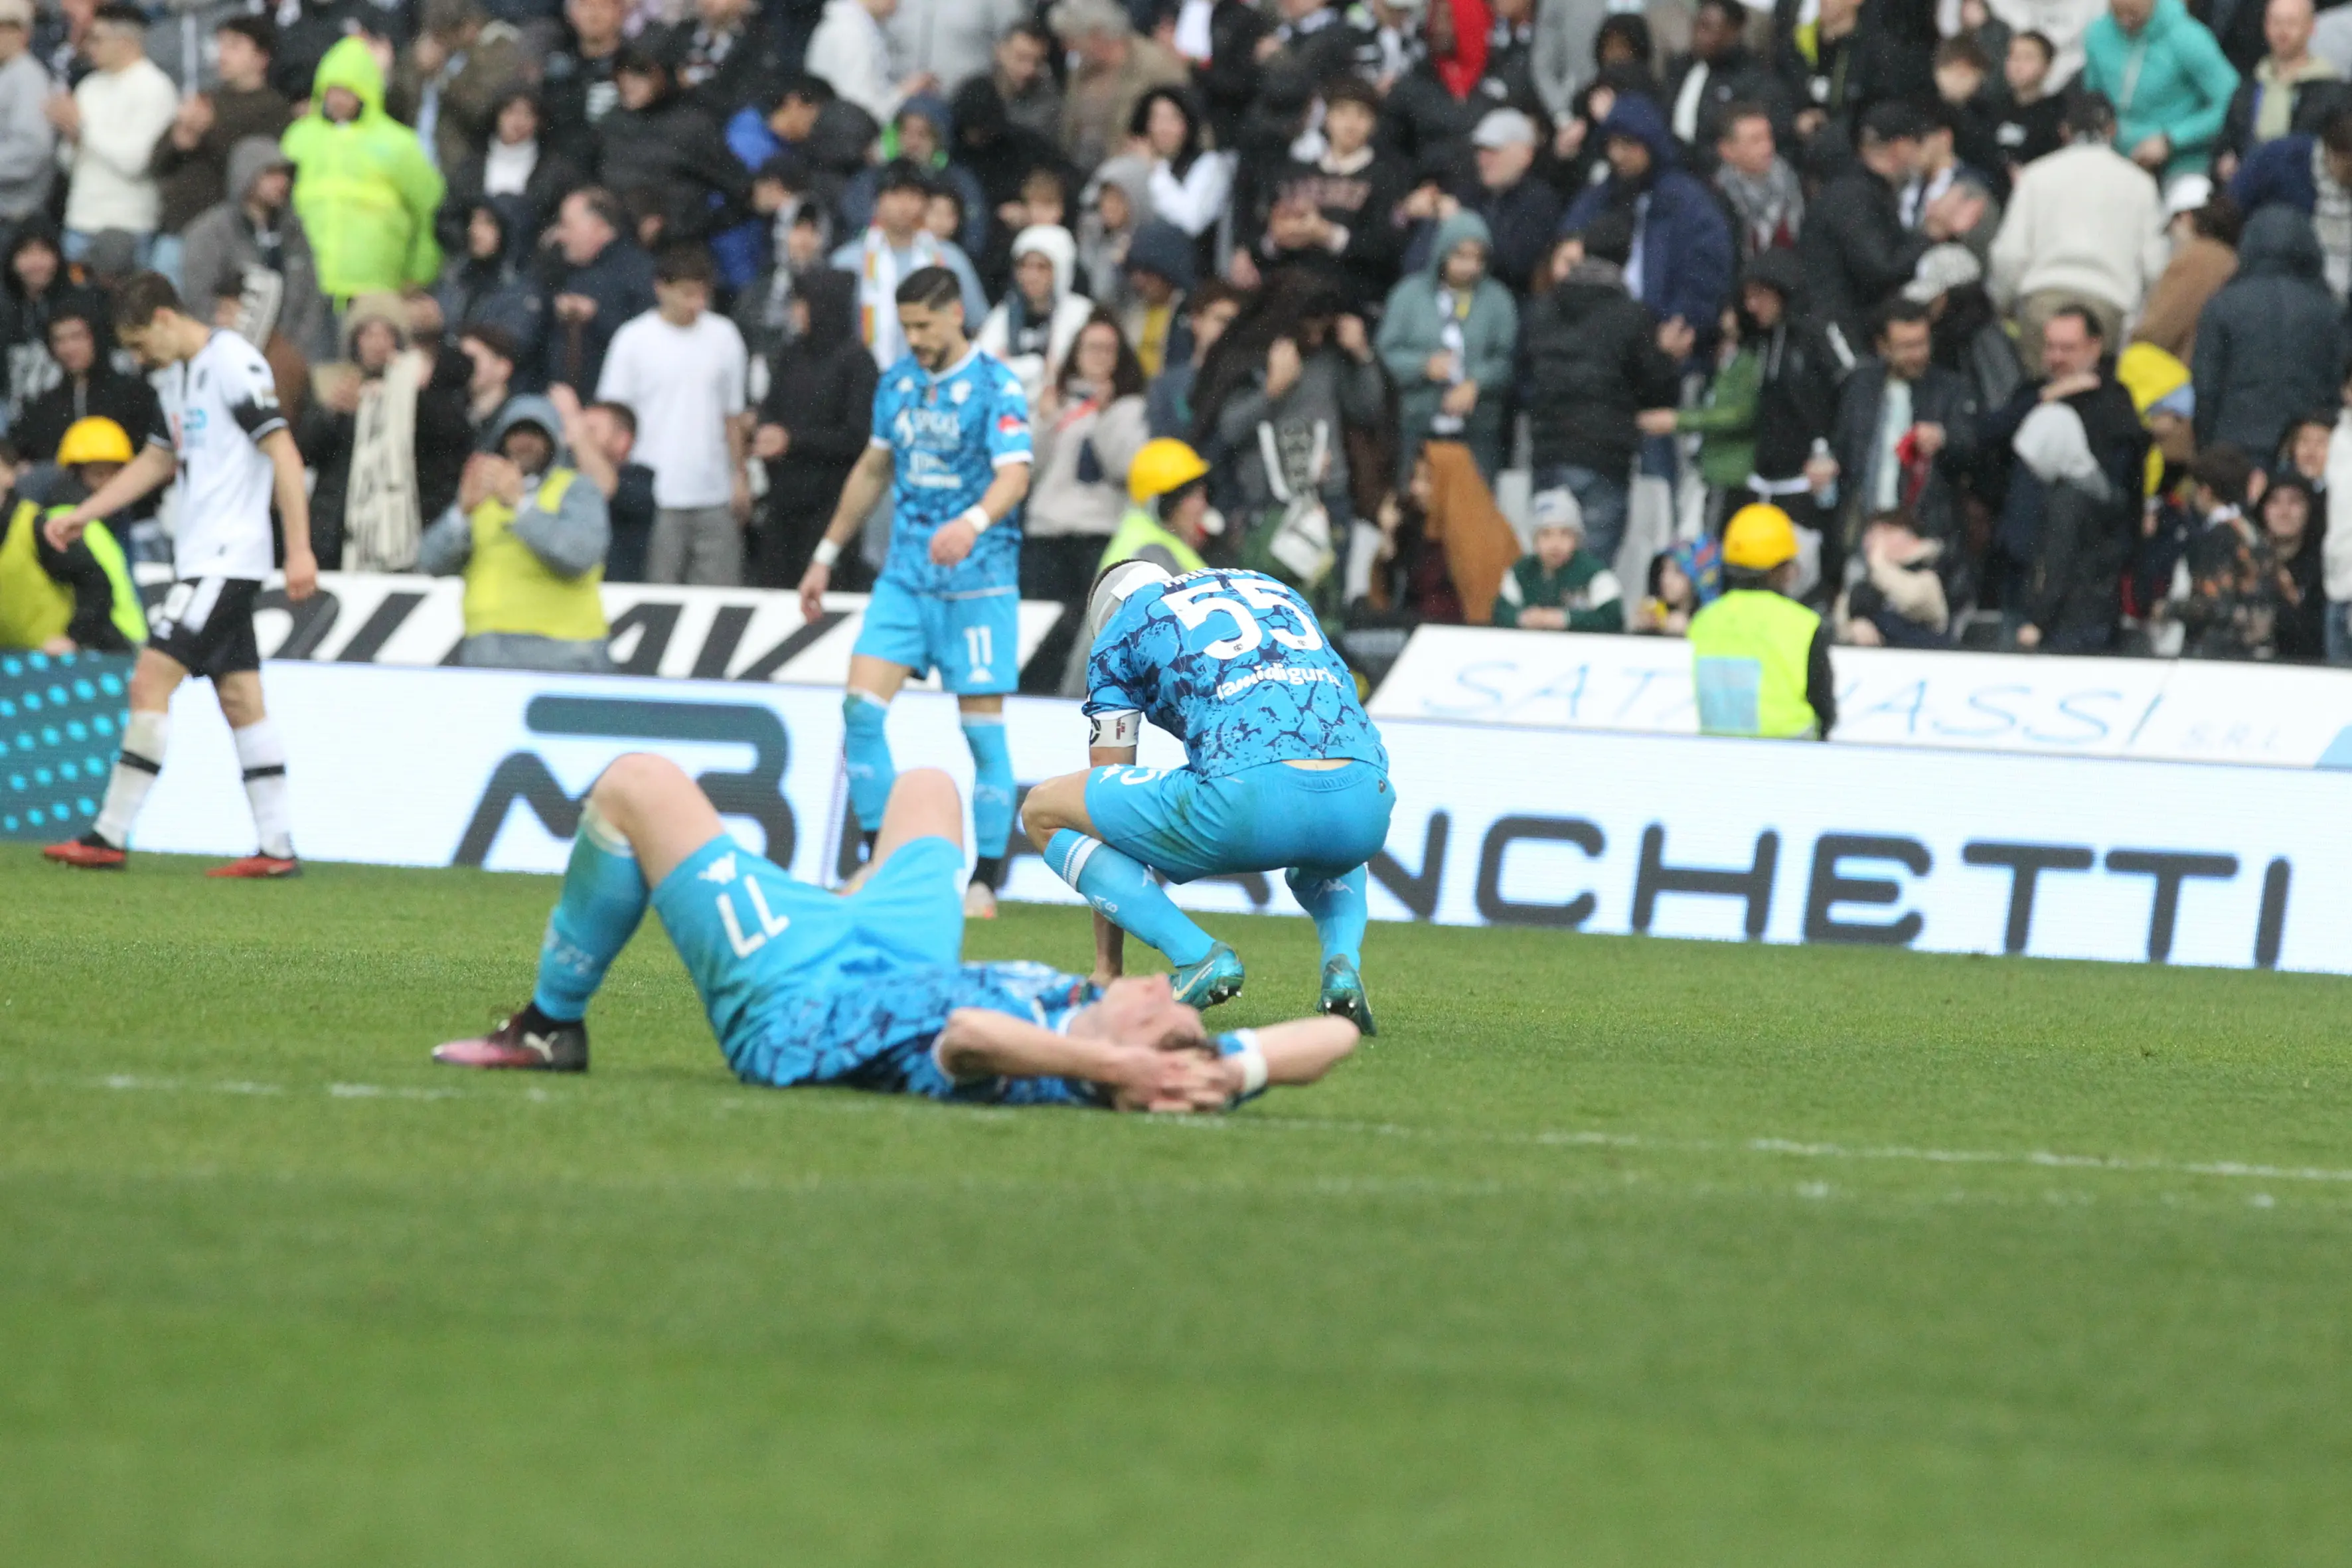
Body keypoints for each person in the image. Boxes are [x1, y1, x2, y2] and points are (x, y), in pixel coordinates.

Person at [430, 755, 1358, 1119]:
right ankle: (835, 896)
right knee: (928, 790)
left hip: (795, 994)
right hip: (896, 954)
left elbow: (965, 1037)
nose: (1159, 990)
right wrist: (1229, 1070)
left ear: (1120, 1059)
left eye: (1154, 1014)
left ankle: (552, 1025)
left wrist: (1116, 1073)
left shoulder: (1047, 1065)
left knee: (634, 782)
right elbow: (1333, 1035)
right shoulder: (1118, 1041)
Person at [1020, 560, 1393, 1026]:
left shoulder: (1121, 630)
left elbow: (1106, 788)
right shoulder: (1268, 586)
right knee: (1327, 815)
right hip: (1366, 799)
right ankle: (1342, 965)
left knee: (1044, 811)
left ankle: (1196, 955)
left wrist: (1108, 967)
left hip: (1249, 798)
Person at [41, 274, 314, 876]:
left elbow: (283, 452)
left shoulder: (232, 363)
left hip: (225, 557)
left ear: (166, 318)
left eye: (141, 344)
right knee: (242, 699)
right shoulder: (175, 377)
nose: (138, 359)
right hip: (208, 557)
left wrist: (299, 548)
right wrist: (85, 514)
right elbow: (159, 459)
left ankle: (108, 834)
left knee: (148, 682)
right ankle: (277, 848)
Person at [795, 267, 1032, 915]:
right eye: (907, 327)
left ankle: (984, 879)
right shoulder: (897, 384)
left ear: (957, 312)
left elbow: (1015, 476)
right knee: (861, 713)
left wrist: (972, 522)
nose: (916, 339)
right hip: (903, 579)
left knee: (981, 731)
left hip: (978, 584)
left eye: (925, 326)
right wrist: (825, 554)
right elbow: (873, 468)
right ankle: (880, 860)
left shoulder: (997, 385)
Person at [1979, 305, 2149, 652]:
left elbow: (2123, 492)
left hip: (2084, 578)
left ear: (2094, 347)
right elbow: (1985, 440)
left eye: (2067, 348)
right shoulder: (2031, 395)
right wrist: (2046, 397)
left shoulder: (2114, 405)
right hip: (2020, 565)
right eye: (2050, 347)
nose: (2056, 357)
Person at [1520, 218, 1680, 570]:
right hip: (1605, 453)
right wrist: (1667, 357)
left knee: (1548, 563)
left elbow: (1525, 372)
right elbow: (1656, 388)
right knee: (1592, 570)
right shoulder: (1631, 316)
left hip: (1549, 448)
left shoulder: (1543, 310)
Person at [416, 395, 613, 673]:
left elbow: (578, 555)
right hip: (489, 653)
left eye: (536, 433)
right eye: (516, 432)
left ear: (554, 442)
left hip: (564, 653)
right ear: (501, 440)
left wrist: (520, 506)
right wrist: (461, 514)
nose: (524, 442)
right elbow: (429, 562)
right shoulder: (483, 494)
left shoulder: (577, 489)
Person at [593, 245, 750, 586]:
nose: (696, 304)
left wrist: (740, 475)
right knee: (657, 594)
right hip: (655, 496)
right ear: (660, 288)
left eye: (702, 295)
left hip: (714, 494)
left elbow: (733, 415)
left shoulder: (725, 337)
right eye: (687, 294)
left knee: (721, 599)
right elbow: (611, 421)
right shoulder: (633, 340)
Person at [1988, 90, 2171, 365]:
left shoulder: (2036, 176)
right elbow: (2155, 265)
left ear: (2064, 131)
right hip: (2109, 305)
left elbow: (2010, 255)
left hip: (2042, 302)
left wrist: (2003, 304)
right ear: (2112, 129)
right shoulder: (2140, 184)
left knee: (2042, 399)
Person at [1021, 313, 1150, 691]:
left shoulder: (1130, 408)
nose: (1098, 356)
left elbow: (1126, 466)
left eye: (1108, 349)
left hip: (1098, 531)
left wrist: (1106, 415)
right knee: (1042, 625)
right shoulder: (1053, 402)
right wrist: (1045, 421)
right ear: (1075, 353)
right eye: (1091, 347)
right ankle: (1034, 693)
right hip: (1047, 530)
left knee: (1088, 629)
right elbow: (1027, 467)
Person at [298, 292, 469, 571]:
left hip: (397, 537)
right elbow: (304, 452)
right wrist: (333, 414)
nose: (378, 344)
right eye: (368, 334)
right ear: (355, 342)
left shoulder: (418, 393)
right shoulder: (333, 387)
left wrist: (415, 395)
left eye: (386, 334)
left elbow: (450, 439)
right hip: (336, 538)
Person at [1800, 100, 1982, 349]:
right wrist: (1931, 233)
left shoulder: (1873, 192)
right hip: (1840, 332)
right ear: (1900, 147)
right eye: (1917, 144)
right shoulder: (1854, 198)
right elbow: (1880, 268)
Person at [1561, 92, 1735, 348]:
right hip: (1600, 336)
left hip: (1668, 338)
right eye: (1612, 144)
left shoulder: (1686, 201)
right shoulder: (1600, 198)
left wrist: (1681, 323)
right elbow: (1567, 245)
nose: (1618, 155)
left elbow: (1705, 271)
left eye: (1628, 144)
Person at [279, 37, 445, 303]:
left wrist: (420, 273)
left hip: (376, 288)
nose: (339, 99)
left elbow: (430, 211)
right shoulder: (299, 138)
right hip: (309, 286)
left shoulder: (398, 144)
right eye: (332, 90)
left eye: (348, 91)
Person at [749, 269, 876, 589]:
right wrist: (763, 430)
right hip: (784, 501)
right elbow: (772, 406)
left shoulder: (857, 362)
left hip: (831, 505)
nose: (795, 312)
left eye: (802, 303)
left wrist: (794, 442)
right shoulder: (792, 354)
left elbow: (857, 436)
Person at [146, 16, 289, 291]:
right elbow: (155, 162)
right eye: (221, 45)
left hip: (227, 238)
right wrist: (178, 140)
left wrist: (208, 132)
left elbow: (251, 169)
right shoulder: (205, 99)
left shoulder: (273, 109)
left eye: (234, 46)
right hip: (175, 232)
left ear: (262, 58)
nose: (223, 54)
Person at [2192, 206, 2343, 463]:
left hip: (2235, 441)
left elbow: (2206, 385)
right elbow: (2336, 382)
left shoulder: (2223, 304)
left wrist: (2206, 446)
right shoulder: (2328, 310)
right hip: (2303, 445)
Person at [1377, 210, 1517, 482]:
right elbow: (1386, 353)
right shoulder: (1409, 295)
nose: (1470, 266)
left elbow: (1506, 359)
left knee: (1474, 512)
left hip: (1477, 429)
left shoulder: (1498, 301)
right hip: (1417, 423)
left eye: (1478, 257)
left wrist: (1477, 383)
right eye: (1461, 255)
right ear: (1442, 252)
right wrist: (1422, 366)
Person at [1828, 298, 1980, 545]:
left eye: (1922, 343)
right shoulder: (1859, 386)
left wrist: (1943, 439)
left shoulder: (1951, 389)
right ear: (1883, 346)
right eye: (1907, 347)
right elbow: (1843, 449)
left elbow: (1971, 448)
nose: (1918, 354)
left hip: (1923, 531)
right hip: (1863, 528)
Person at [1687, 503, 1835, 740]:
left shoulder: (1705, 620)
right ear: (1784, 568)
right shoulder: (1803, 625)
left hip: (1718, 758)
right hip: (1790, 759)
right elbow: (1825, 711)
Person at [180, 137, 330, 368]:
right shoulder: (211, 232)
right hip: (228, 358)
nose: (282, 182)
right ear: (246, 175)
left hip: (288, 358)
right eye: (271, 174)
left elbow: (311, 297)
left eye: (285, 174)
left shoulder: (294, 232)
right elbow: (198, 297)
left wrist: (294, 353)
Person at [0, 416, 145, 653]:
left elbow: (97, 582)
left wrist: (72, 638)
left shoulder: (45, 523)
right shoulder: (63, 519)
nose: (109, 484)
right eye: (98, 473)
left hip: (75, 659)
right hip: (24, 663)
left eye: (115, 474)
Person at [831, 159, 988, 370]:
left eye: (914, 196)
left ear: (926, 203)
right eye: (896, 194)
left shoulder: (949, 259)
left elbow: (980, 326)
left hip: (935, 384)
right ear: (876, 201)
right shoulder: (847, 261)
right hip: (866, 384)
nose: (904, 205)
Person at [51, 3, 175, 267]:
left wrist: (83, 128)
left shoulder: (155, 88)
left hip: (128, 223)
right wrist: (72, 138)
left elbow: (137, 163)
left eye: (96, 38)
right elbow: (68, 164)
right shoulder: (88, 86)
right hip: (80, 219)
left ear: (126, 42)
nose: (88, 46)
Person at [2079, 0, 2243, 187]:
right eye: (2118, 10)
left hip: (2181, 159)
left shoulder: (2187, 37)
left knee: (2190, 194)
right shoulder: (2097, 34)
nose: (2125, 19)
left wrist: (2172, 139)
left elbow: (2234, 104)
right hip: (2114, 156)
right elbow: (2093, 98)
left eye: (2132, 10)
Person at [11, 306, 161, 473]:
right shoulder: (44, 404)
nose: (69, 348)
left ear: (95, 338)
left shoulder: (133, 393)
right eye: (59, 340)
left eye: (77, 337)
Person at [1052, 0, 1189, 175]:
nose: (1067, 48)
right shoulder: (1081, 70)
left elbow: (1189, 119)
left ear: (1097, 35)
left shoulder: (1158, 67)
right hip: (1078, 173)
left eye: (1071, 40)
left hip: (1135, 177)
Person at [542, 187, 655, 395]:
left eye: (568, 226)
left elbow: (652, 342)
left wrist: (597, 315)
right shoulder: (562, 268)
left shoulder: (639, 272)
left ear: (599, 227)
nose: (560, 236)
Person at [976, 224, 1095, 409]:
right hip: (1010, 410)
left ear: (1060, 270)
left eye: (1042, 267)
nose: (1031, 276)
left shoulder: (1081, 313)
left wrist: (1013, 369)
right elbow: (984, 368)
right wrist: (1037, 367)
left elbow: (1073, 375)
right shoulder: (1005, 312)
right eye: (1024, 266)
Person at [2218, 0, 2343, 176]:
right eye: (2276, 22)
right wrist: (2224, 162)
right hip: (2245, 184)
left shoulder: (2333, 91)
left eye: (2291, 23)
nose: (2282, 31)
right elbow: (2225, 142)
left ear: (2311, 27)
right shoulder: (2248, 87)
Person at [1492, 486, 1623, 631]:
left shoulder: (1595, 574)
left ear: (1577, 539)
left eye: (1565, 534)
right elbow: (1500, 613)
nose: (1556, 544)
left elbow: (1614, 618)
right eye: (1546, 534)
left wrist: (1566, 619)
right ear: (1534, 540)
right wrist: (1524, 618)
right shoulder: (1520, 572)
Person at [2133, 191, 2240, 360]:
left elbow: (2161, 327)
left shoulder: (2194, 260)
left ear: (2186, 218)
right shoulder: (2232, 260)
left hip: (2183, 374)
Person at [806, 0, 933, 129]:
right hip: (849, 139)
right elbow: (860, 110)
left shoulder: (848, 26)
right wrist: (905, 91)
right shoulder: (853, 34)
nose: (898, 4)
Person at [1834, 509, 1951, 646]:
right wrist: (1854, 628)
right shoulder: (1865, 583)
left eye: (1886, 532)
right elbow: (1840, 622)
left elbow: (1911, 600)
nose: (1875, 541)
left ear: (1909, 536)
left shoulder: (1928, 577)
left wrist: (1879, 563)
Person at [1100, 435, 1213, 576]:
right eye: (1192, 496)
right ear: (1164, 504)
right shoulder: (1151, 553)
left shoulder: (1147, 536)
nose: (1202, 505)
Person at [1713, 100, 1804, 262]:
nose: (1767, 147)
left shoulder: (1791, 182)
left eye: (1769, 137)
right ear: (1726, 150)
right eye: (1756, 140)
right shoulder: (1715, 197)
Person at [0, 0, 57, 252]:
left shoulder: (28, 76)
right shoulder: (8, 73)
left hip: (16, 216)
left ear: (23, 33)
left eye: (4, 27)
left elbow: (32, 150)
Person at [2259, 469, 2327, 657]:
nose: (2284, 512)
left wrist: (2291, 595)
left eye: (2295, 501)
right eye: (2275, 501)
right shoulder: (2247, 561)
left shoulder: (2324, 569)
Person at [1992, 29, 2067, 175]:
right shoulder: (1991, 108)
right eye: (2013, 56)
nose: (2017, 65)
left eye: (2028, 58)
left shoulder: (2057, 113)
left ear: (2047, 66)